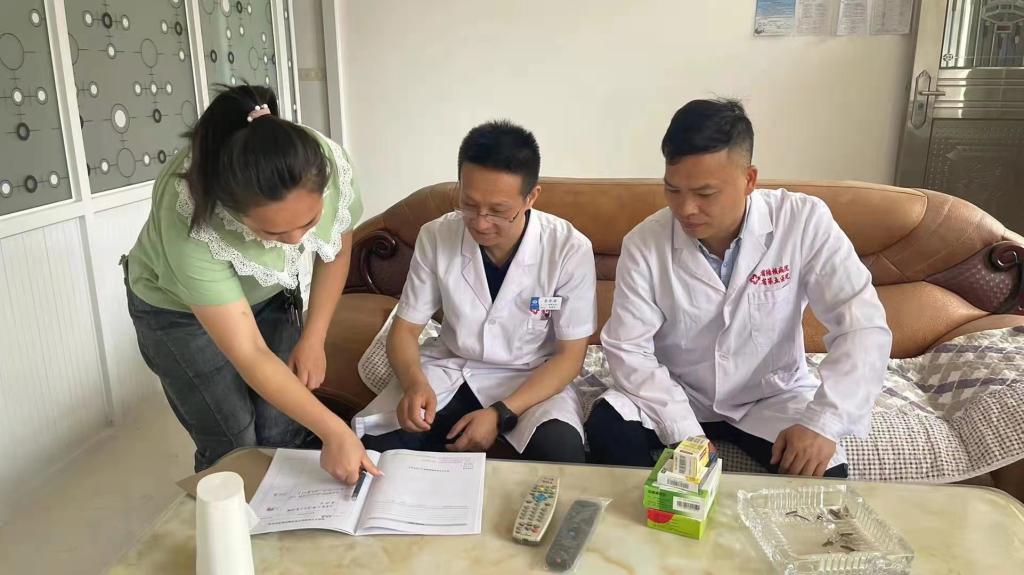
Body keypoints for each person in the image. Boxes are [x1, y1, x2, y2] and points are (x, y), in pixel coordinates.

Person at [585, 99, 892, 477]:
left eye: (705, 193)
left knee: (821, 475)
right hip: (679, 393)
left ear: (749, 180)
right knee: (608, 428)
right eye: (673, 190)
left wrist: (824, 423)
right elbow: (628, 348)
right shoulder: (645, 243)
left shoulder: (802, 221)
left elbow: (861, 325)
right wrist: (683, 432)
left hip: (772, 396)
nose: (686, 209)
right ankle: (645, 517)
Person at [125, 84, 378, 483]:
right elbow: (250, 353)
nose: (295, 242)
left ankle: (289, 515)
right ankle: (236, 517)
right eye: (273, 233)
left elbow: (334, 251)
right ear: (231, 211)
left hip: (270, 293)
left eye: (308, 223)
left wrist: (314, 338)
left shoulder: (325, 165)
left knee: (281, 428)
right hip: (177, 312)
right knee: (233, 442)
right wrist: (334, 430)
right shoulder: (189, 213)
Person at [354, 121, 596, 463]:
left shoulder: (568, 248)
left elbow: (570, 357)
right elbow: (404, 330)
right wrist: (414, 384)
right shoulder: (436, 236)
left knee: (562, 455)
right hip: (453, 369)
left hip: (531, 378)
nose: (480, 223)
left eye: (498, 211)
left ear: (531, 197)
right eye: (469, 204)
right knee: (377, 450)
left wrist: (501, 413)